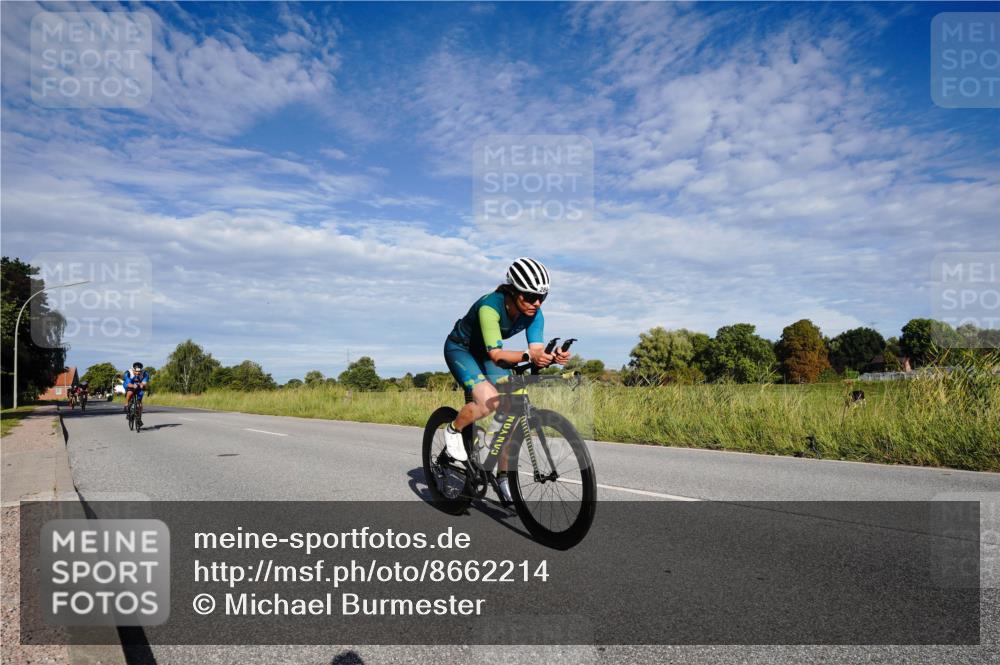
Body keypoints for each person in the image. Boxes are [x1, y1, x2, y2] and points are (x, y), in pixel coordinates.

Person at [442, 258, 571, 502]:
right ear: (513, 291)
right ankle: (453, 430)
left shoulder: (534, 314)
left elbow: (535, 352)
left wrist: (550, 358)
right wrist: (528, 355)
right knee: (487, 402)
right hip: (461, 350)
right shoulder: (489, 307)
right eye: (530, 296)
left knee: (514, 407)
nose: (537, 303)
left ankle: (503, 477)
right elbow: (496, 354)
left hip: (487, 355)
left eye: (542, 297)